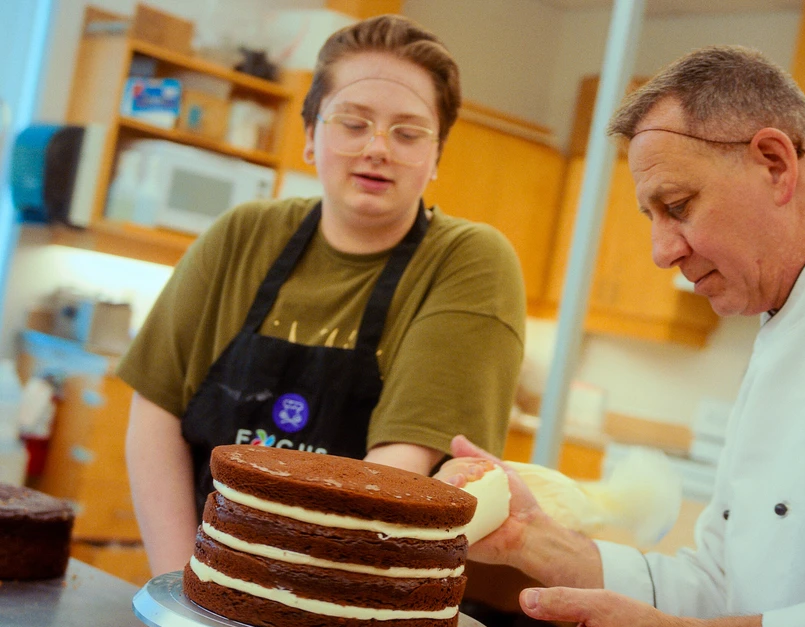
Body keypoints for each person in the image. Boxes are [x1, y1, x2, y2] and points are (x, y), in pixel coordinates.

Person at [440, 45, 805, 627]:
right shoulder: (785, 305)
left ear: (776, 163)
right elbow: (720, 584)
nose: (661, 251)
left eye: (677, 206)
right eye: (651, 218)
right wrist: (533, 542)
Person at [118, 15, 526, 577]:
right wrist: (185, 588)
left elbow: (398, 469)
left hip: (353, 593)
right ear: (310, 137)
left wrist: (288, 602)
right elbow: (156, 411)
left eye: (408, 133)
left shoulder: (468, 260)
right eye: (353, 123)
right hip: (202, 579)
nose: (377, 149)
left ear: (437, 157)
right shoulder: (244, 234)